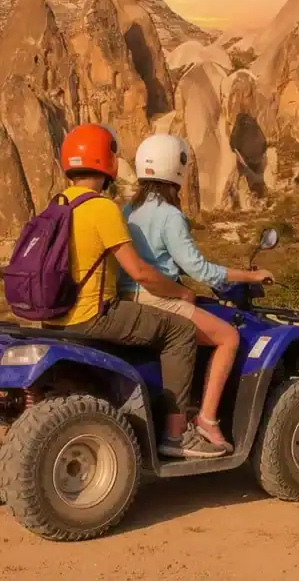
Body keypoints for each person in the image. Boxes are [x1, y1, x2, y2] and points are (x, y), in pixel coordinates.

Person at [54, 123, 217, 460]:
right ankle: (177, 434)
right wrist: (183, 294)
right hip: (91, 315)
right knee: (180, 330)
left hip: (54, 316)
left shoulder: (57, 205)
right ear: (107, 163)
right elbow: (141, 272)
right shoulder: (102, 207)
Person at [119, 133, 275, 452]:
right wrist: (250, 274)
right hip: (157, 298)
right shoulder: (170, 215)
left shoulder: (126, 211)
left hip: (125, 298)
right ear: (177, 171)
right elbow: (199, 270)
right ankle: (206, 420)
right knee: (228, 337)